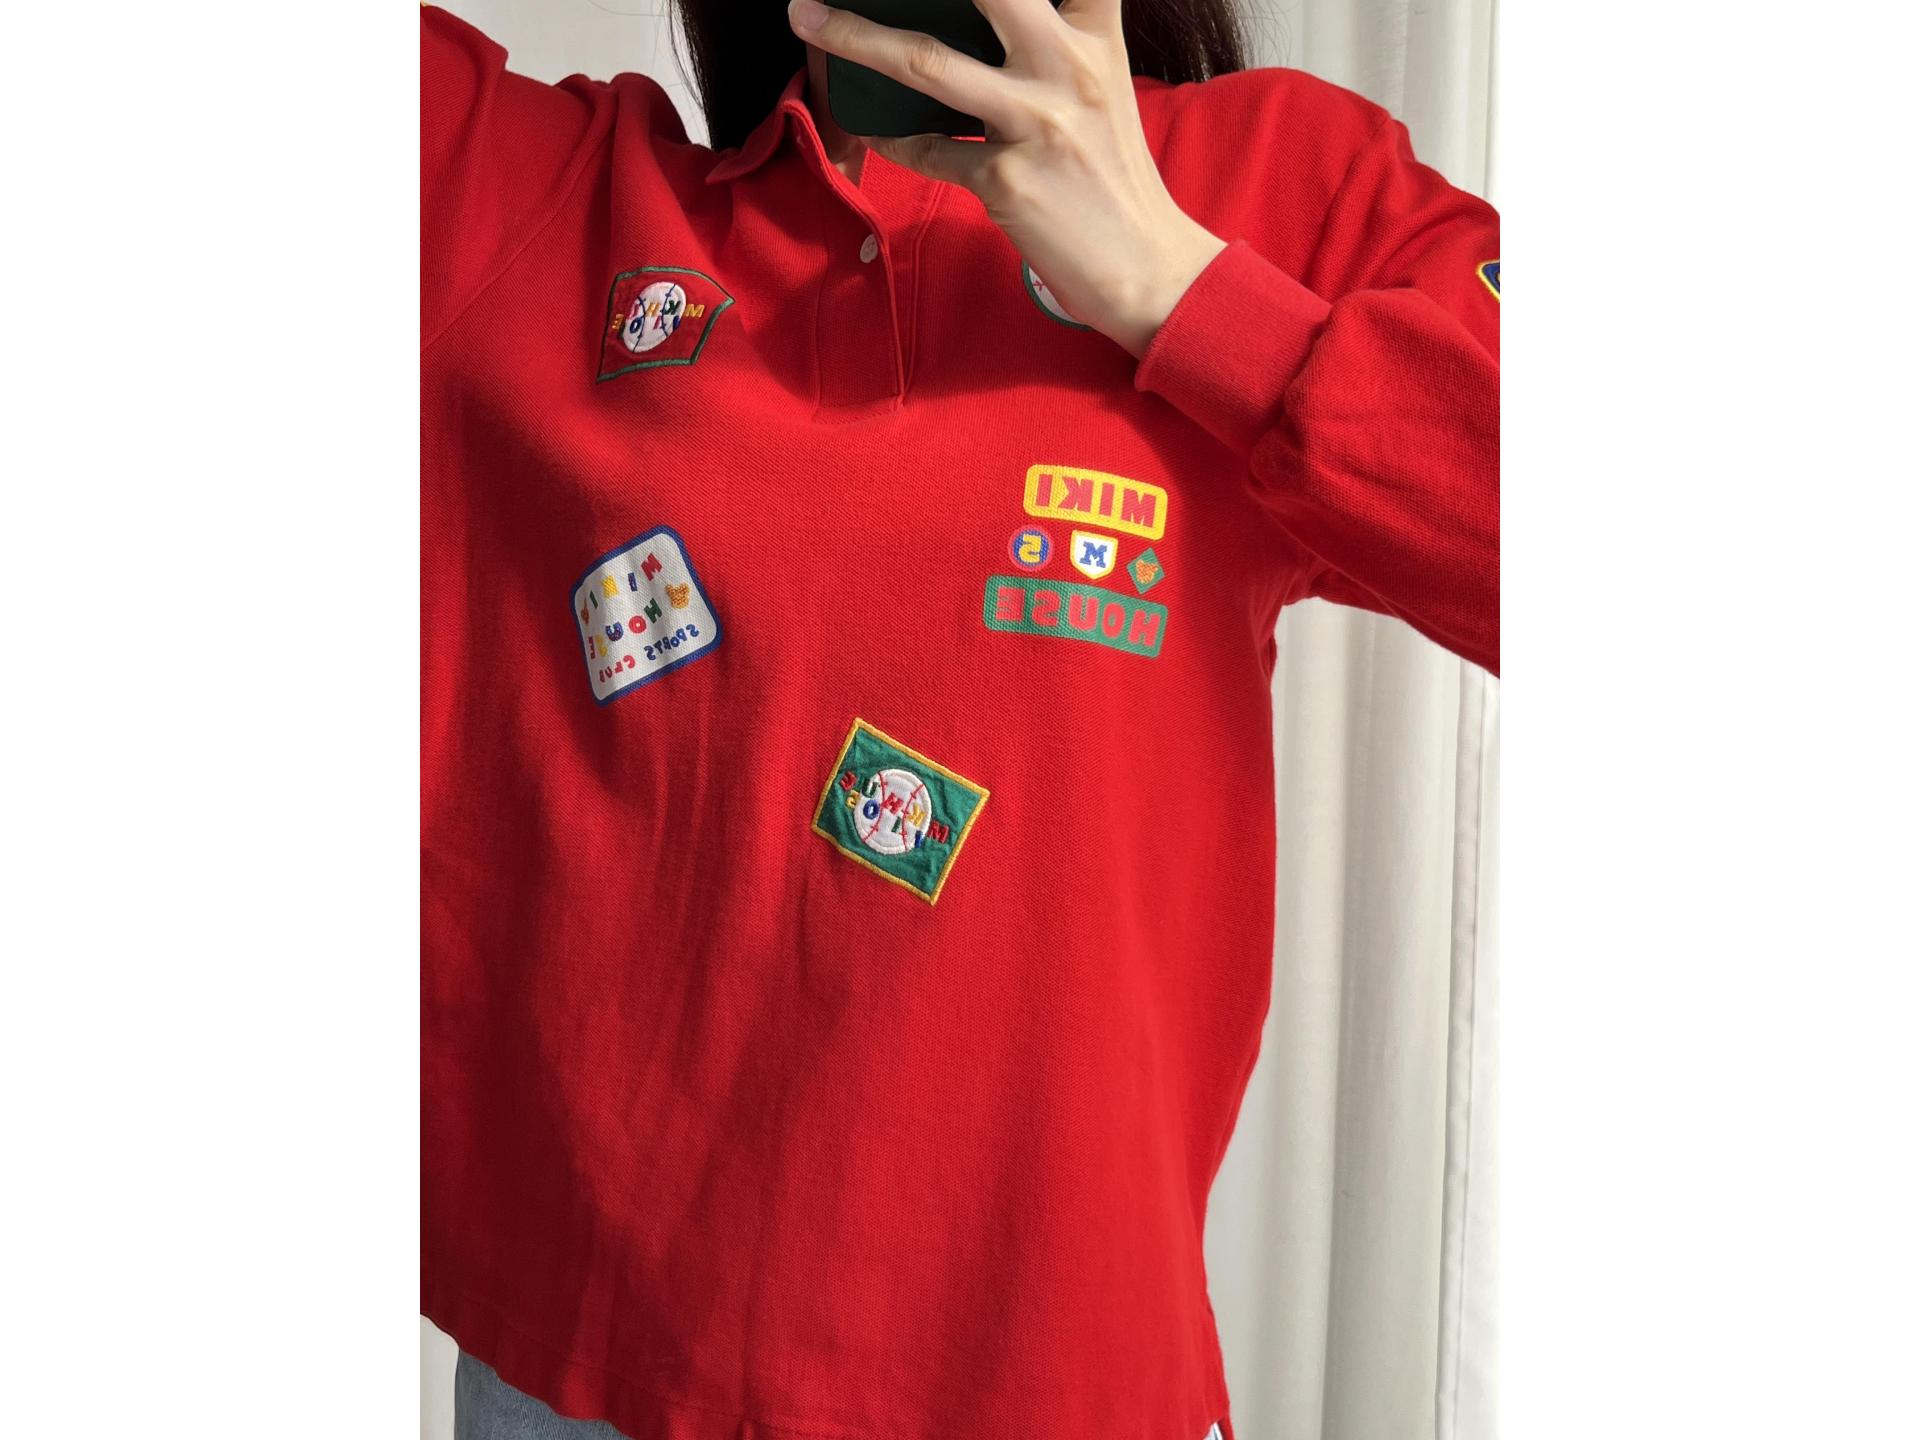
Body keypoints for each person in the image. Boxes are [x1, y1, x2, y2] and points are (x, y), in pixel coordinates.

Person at [421, 0, 1498, 1437]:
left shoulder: (1277, 188)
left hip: (1057, 1381)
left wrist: (1178, 287)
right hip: (595, 1377)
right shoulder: (548, 200)